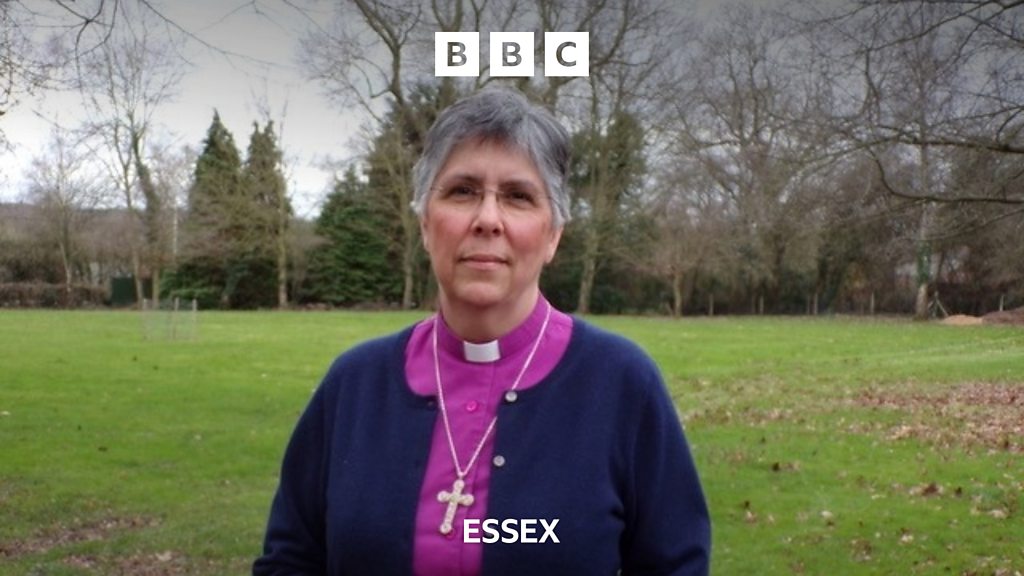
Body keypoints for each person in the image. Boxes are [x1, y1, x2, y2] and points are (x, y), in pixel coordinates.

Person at [253, 86, 711, 576]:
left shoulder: (620, 384)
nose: (487, 219)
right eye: (462, 191)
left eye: (518, 197)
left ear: (553, 235)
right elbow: (291, 560)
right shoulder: (355, 385)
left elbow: (674, 565)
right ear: (425, 223)